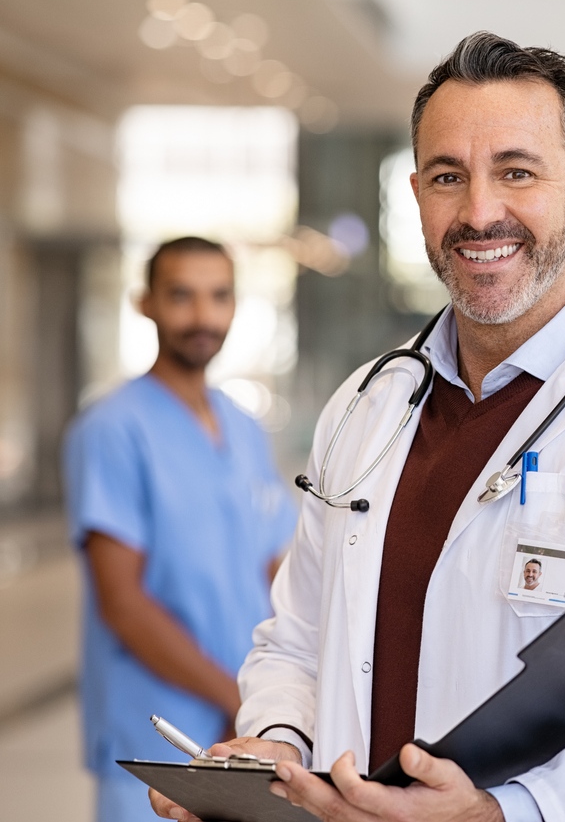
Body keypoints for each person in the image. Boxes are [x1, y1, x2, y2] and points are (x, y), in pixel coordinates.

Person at [153, 32, 565, 822]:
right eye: (447, 177)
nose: (479, 212)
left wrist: (505, 812)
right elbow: (296, 636)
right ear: (416, 192)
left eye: (516, 172)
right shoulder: (368, 404)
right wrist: (276, 747)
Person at [63, 236, 297, 822]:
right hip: (158, 736)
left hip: (246, 731)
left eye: (218, 296)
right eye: (181, 296)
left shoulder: (244, 430)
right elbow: (123, 604)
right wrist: (233, 697)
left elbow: (279, 575)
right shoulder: (112, 430)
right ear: (146, 304)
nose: (202, 316)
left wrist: (271, 701)